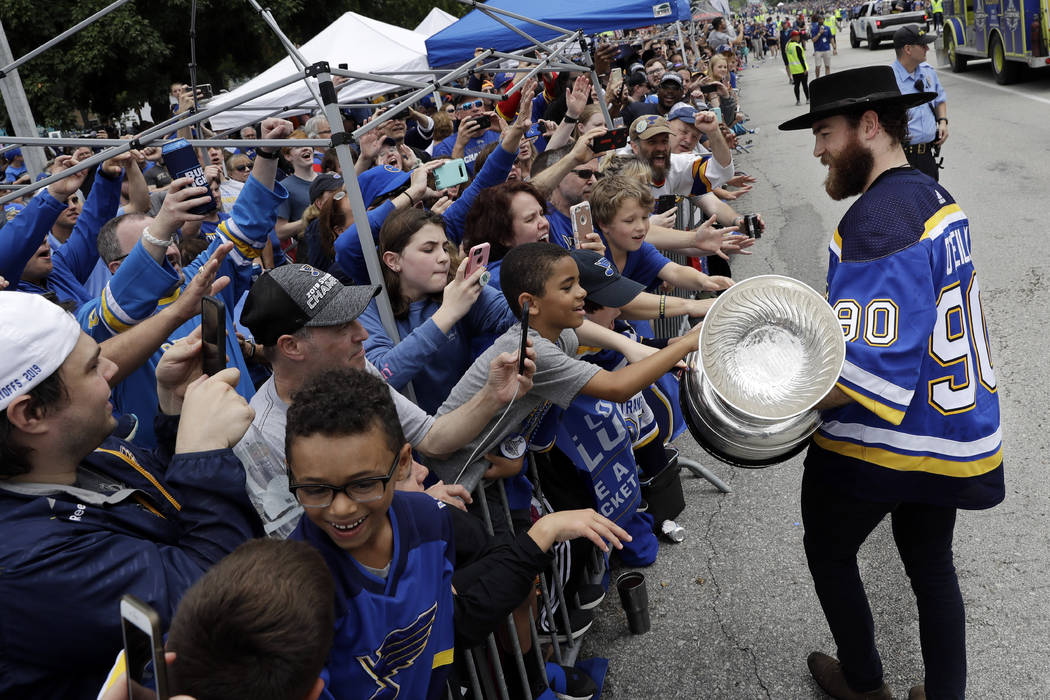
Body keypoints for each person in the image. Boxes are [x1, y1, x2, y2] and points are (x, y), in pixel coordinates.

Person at [778, 66, 1003, 700]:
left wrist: (770, 397)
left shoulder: (877, 220)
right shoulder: (934, 196)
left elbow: (867, 372)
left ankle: (863, 684)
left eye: (824, 132)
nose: (818, 149)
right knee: (931, 562)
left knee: (828, 548)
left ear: (869, 126)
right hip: (949, 427)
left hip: (890, 438)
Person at [285, 367, 627, 699]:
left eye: (363, 484)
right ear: (292, 473)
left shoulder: (428, 520)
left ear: (404, 462)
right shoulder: (295, 589)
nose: (341, 508)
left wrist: (544, 531)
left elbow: (457, 619)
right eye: (314, 489)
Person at [0, 291, 262, 698]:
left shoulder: (81, 452)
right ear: (30, 414)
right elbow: (220, 597)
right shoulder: (22, 564)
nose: (111, 368)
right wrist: (203, 458)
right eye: (91, 368)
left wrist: (176, 415)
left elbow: (165, 509)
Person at [891, 26, 948, 181]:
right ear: (908, 49)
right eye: (922, 45)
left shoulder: (928, 72)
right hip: (900, 159)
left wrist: (943, 122)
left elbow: (940, 100)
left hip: (926, 157)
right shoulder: (889, 80)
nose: (927, 48)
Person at [786, 31, 810, 105]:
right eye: (797, 36)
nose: (799, 37)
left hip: (794, 70)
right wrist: (805, 68)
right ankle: (808, 99)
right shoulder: (797, 46)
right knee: (805, 85)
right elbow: (801, 58)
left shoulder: (788, 46)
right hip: (801, 69)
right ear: (793, 37)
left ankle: (798, 101)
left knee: (797, 85)